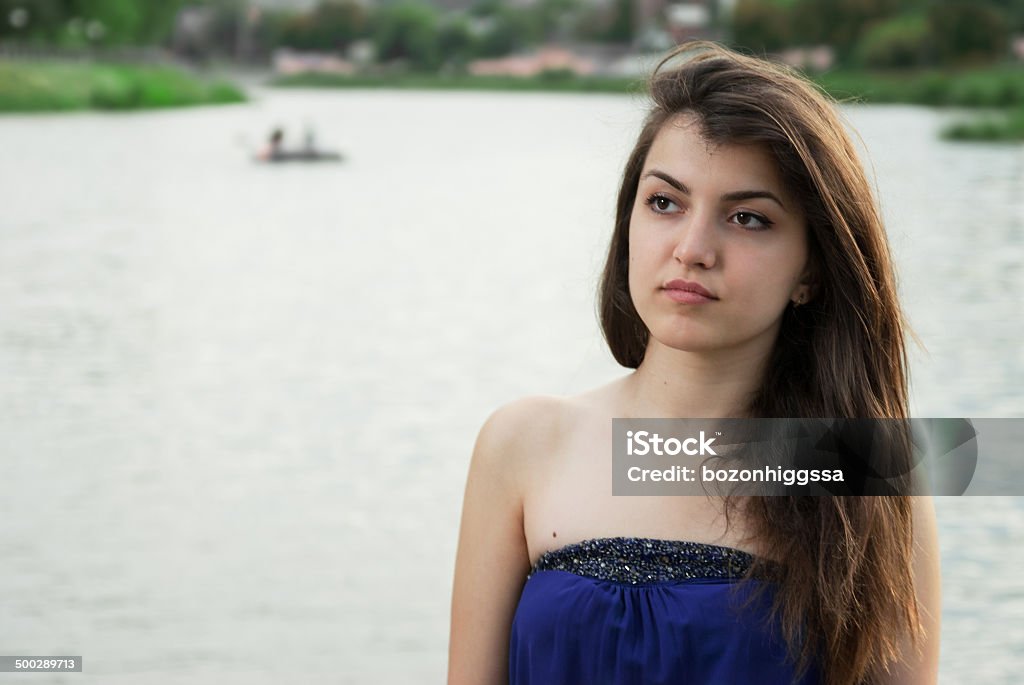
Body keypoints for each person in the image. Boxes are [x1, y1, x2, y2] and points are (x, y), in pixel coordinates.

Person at [448, 41, 941, 685]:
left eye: (746, 217)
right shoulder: (523, 444)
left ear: (812, 268)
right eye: (665, 203)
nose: (692, 249)